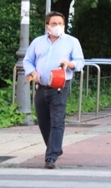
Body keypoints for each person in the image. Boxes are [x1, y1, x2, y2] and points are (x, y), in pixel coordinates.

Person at [23, 11, 85, 169]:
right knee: (44, 121)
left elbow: (79, 62)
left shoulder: (71, 42)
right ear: (47, 26)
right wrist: (33, 72)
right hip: (41, 86)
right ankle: (55, 148)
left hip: (60, 87)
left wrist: (69, 64)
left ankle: (50, 157)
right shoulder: (38, 42)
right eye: (54, 24)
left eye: (60, 24)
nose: (57, 26)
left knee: (57, 121)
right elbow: (28, 60)